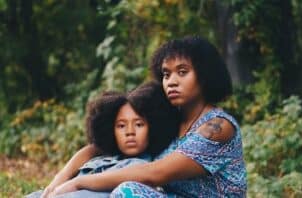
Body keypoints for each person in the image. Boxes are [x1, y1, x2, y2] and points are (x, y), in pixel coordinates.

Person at [46, 35, 247, 197]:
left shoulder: (218, 127)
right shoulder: (172, 119)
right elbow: (98, 148)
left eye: (182, 72)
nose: (171, 82)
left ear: (205, 76)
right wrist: (62, 177)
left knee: (129, 191)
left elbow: (154, 174)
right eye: (166, 74)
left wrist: (79, 182)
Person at [26, 81, 179, 198]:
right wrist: (60, 179)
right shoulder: (102, 157)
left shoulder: (142, 168)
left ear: (153, 128)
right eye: (121, 126)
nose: (130, 132)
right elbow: (90, 149)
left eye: (139, 124)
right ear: (110, 130)